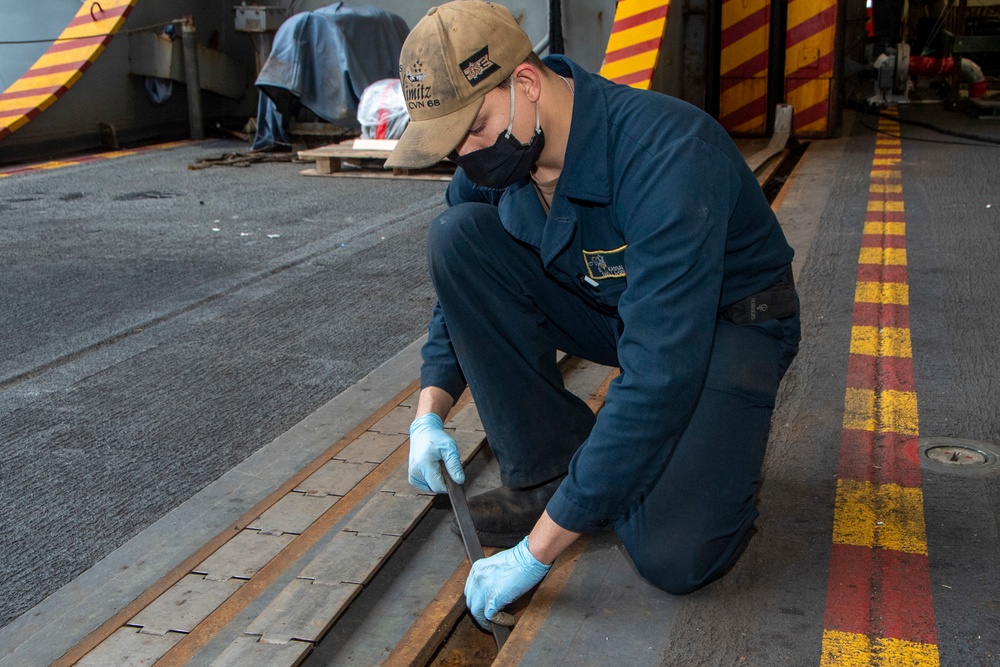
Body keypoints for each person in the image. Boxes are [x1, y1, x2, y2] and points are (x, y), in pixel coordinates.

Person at [385, 0, 800, 630]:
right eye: (449, 145)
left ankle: (625, 481)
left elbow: (660, 373)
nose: (466, 155)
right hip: (610, 303)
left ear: (525, 84)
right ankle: (554, 474)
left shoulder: (667, 154)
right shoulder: (497, 153)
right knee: (457, 235)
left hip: (726, 325)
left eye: (472, 129)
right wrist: (428, 413)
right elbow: (460, 286)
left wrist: (537, 553)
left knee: (674, 554)